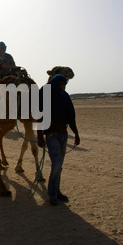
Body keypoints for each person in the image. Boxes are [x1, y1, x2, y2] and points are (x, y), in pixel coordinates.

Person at [37, 74, 80, 205]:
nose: (63, 86)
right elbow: (39, 116)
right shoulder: (45, 94)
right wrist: (39, 136)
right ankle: (52, 195)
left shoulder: (64, 96)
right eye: (61, 84)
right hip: (51, 134)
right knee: (56, 164)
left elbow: (71, 115)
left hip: (63, 134)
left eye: (64, 84)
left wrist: (76, 133)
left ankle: (57, 191)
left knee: (59, 166)